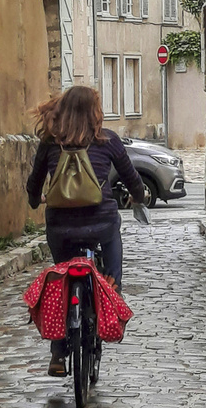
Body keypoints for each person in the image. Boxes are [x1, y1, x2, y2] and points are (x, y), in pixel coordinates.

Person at [26, 85, 145, 376]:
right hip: (101, 225)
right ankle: (111, 301)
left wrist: (34, 201)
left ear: (62, 110)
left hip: (60, 228)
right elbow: (132, 177)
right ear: (95, 112)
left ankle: (57, 351)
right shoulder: (109, 141)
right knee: (112, 262)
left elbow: (34, 182)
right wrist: (138, 197)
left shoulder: (51, 143)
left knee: (61, 277)